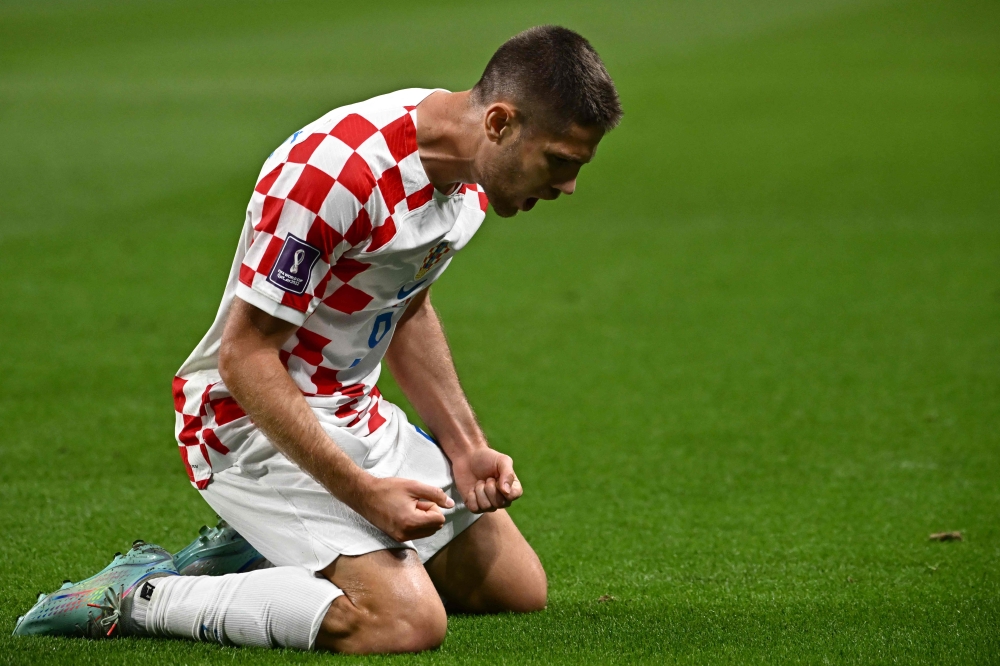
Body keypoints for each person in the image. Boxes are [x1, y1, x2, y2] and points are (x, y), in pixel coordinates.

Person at [14, 25, 622, 654]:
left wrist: (467, 447)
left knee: (515, 588)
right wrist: (362, 494)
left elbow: (406, 305)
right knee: (405, 623)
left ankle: (257, 552)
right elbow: (244, 355)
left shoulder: (466, 178)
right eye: (560, 161)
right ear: (499, 123)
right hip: (245, 424)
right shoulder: (336, 175)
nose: (568, 186)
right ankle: (138, 596)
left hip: (353, 413)